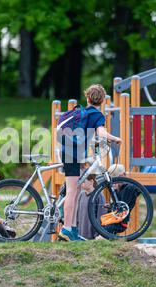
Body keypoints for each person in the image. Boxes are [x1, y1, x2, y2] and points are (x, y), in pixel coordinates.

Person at [58, 84, 122, 241]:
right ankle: (66, 228)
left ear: (87, 97)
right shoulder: (97, 115)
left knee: (77, 188)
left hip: (71, 152)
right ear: (102, 101)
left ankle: (72, 230)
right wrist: (115, 138)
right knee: (72, 191)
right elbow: (101, 132)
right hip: (72, 154)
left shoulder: (82, 111)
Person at [75, 174, 106, 240]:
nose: (81, 183)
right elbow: (78, 214)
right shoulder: (81, 194)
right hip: (81, 234)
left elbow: (101, 215)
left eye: (83, 181)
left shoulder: (99, 195)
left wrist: (97, 233)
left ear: (91, 181)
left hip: (93, 236)